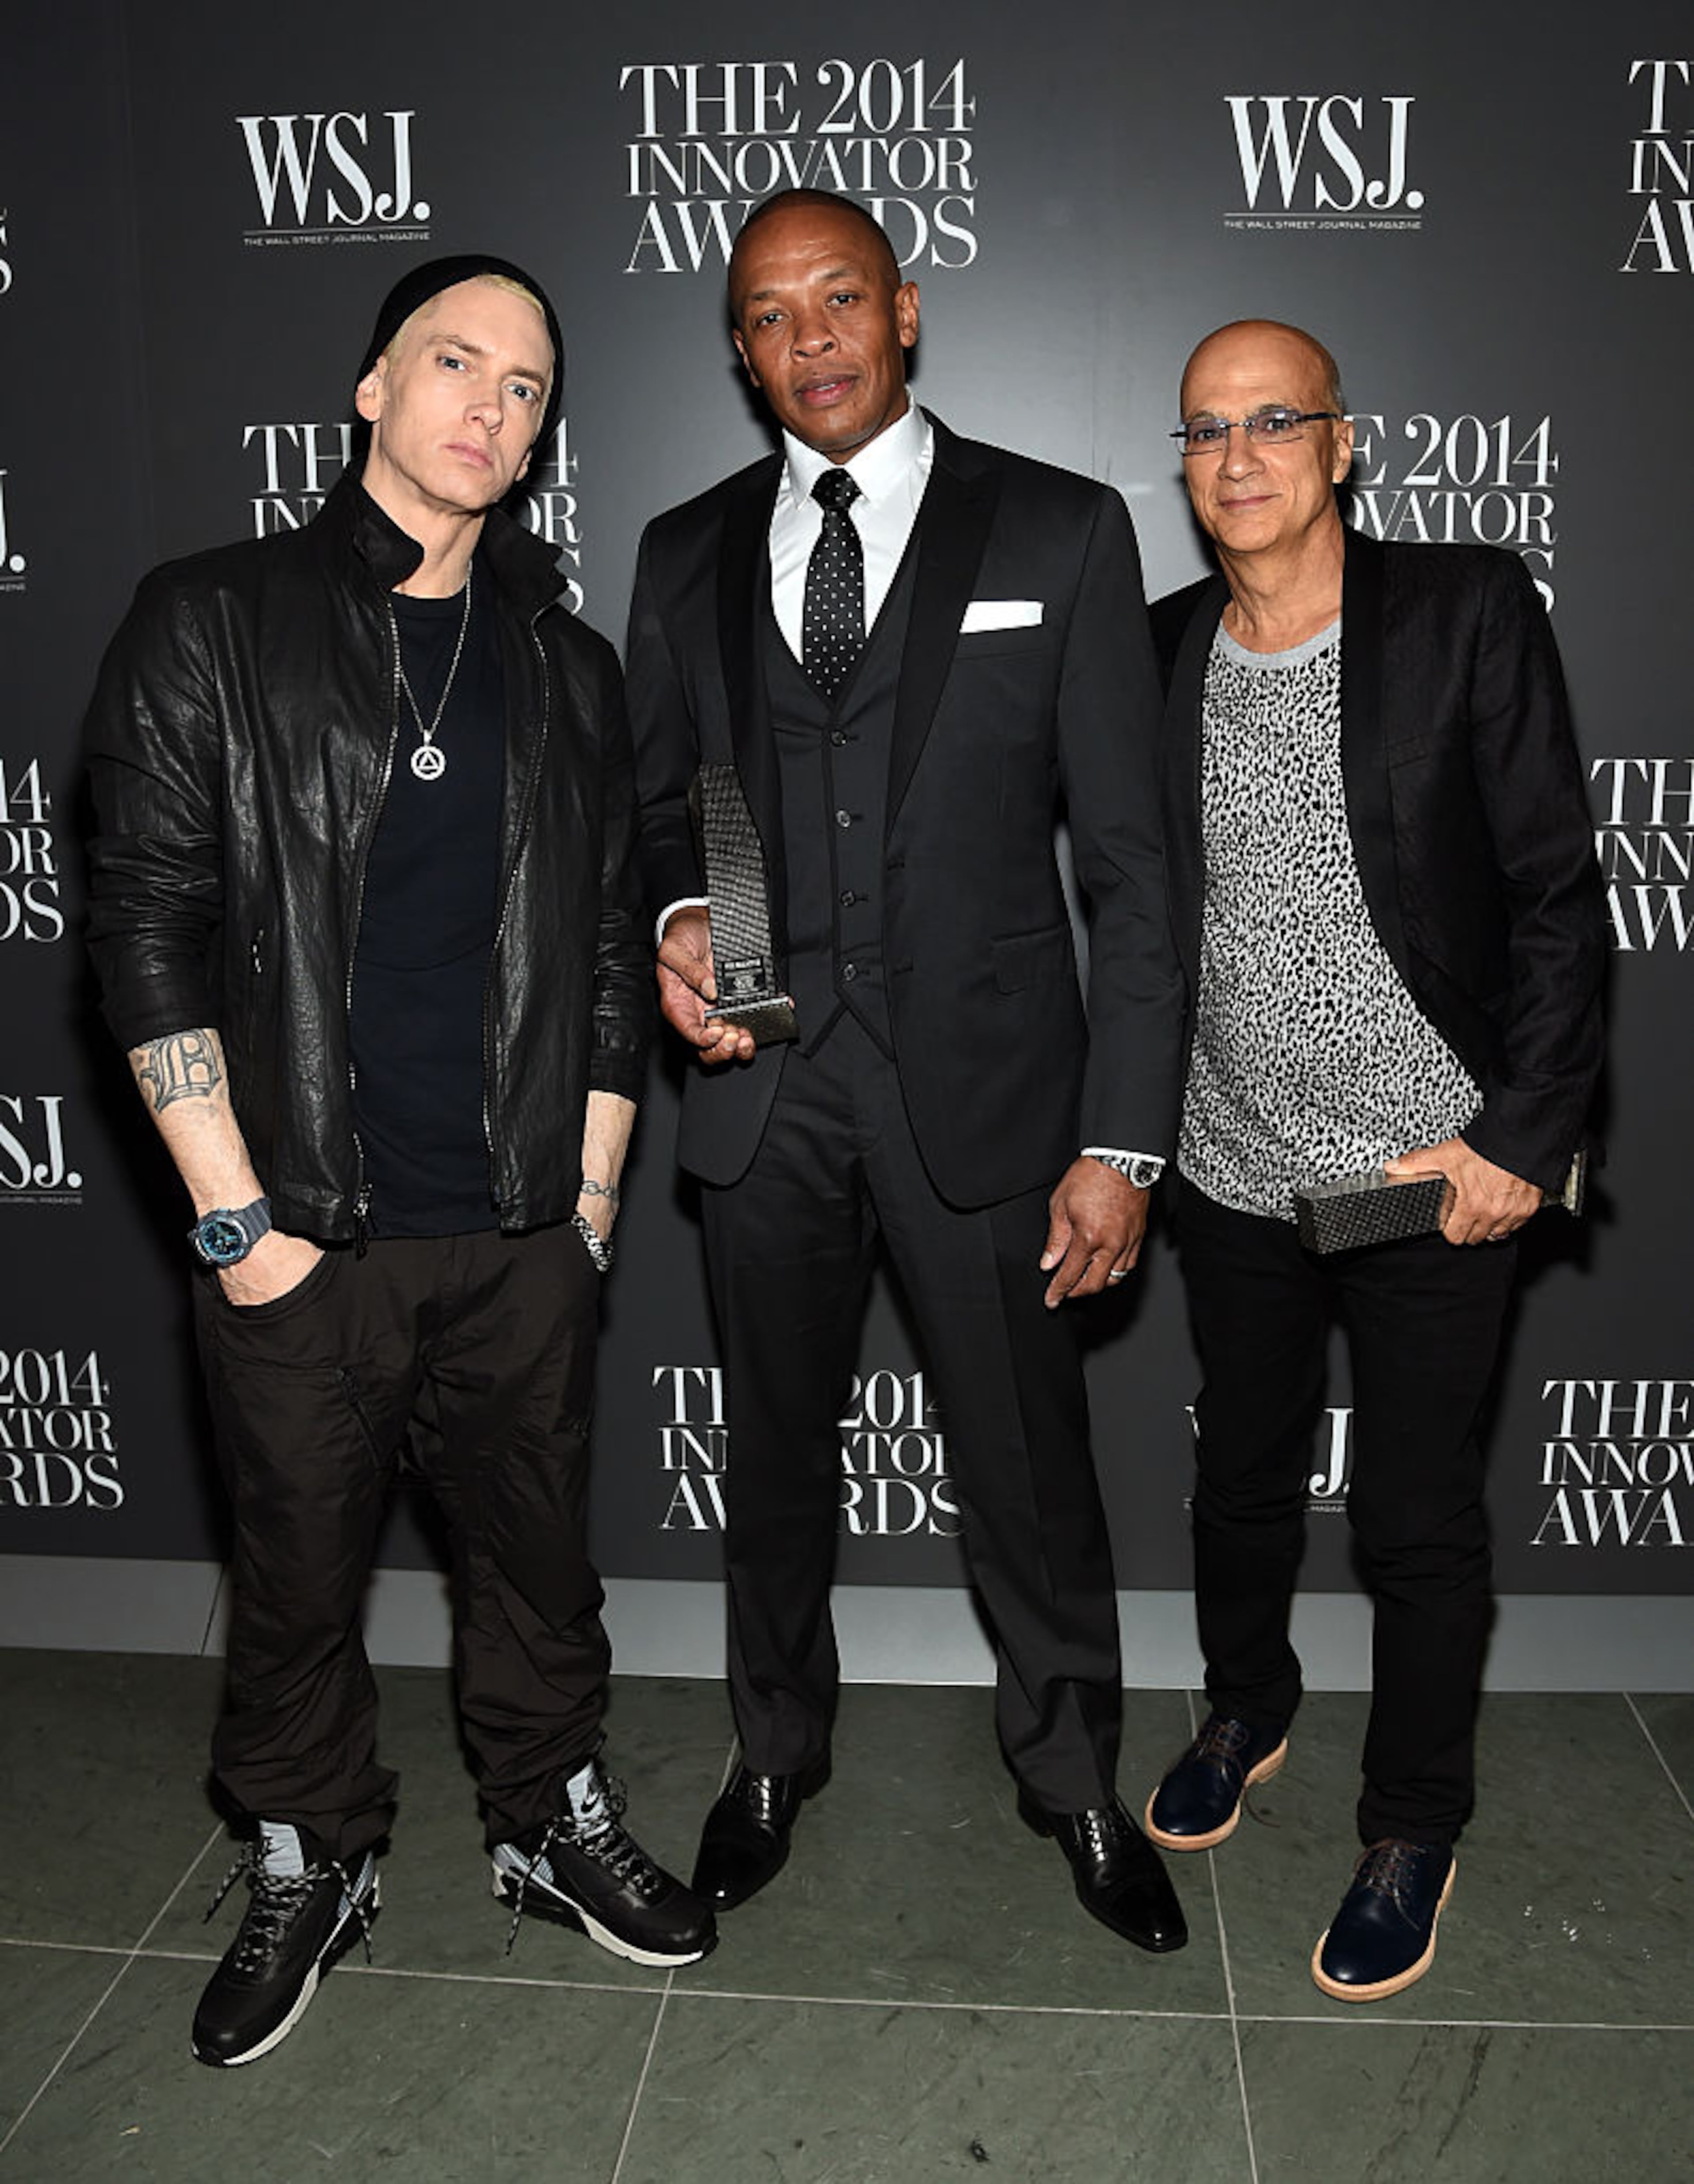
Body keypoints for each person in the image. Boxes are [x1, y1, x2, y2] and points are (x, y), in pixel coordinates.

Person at [83, 255, 714, 2069]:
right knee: (293, 1578)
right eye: (455, 361)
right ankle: (310, 1853)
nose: (488, 406)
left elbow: (608, 949)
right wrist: (236, 1217)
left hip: (518, 1228)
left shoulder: (566, 661)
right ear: (370, 388)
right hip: (301, 1233)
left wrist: (586, 1204)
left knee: (537, 1572)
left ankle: (549, 1819)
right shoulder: (211, 617)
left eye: (525, 386)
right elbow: (142, 926)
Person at [624, 189, 1187, 1953]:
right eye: (773, 316)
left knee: (1029, 1459)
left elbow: (1131, 870)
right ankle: (773, 1748)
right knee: (775, 1452)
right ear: (738, 348)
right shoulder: (682, 548)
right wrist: (683, 917)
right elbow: (677, 800)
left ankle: (1075, 1772)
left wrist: (1125, 1141)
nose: (812, 339)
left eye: (841, 299)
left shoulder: (1066, 526)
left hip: (997, 1097)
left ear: (908, 308)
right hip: (767, 1092)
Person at [1143, 319, 1605, 2000]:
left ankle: (1412, 1824)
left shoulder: (1465, 612)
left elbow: (1559, 894)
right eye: (1206, 429)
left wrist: (1519, 1139)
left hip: (1428, 1162)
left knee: (1415, 1519)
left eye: (1278, 421)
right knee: (1240, 1480)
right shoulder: (1161, 648)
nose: (1240, 455)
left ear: (1344, 443)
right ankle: (1245, 1710)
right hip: (1236, 1160)